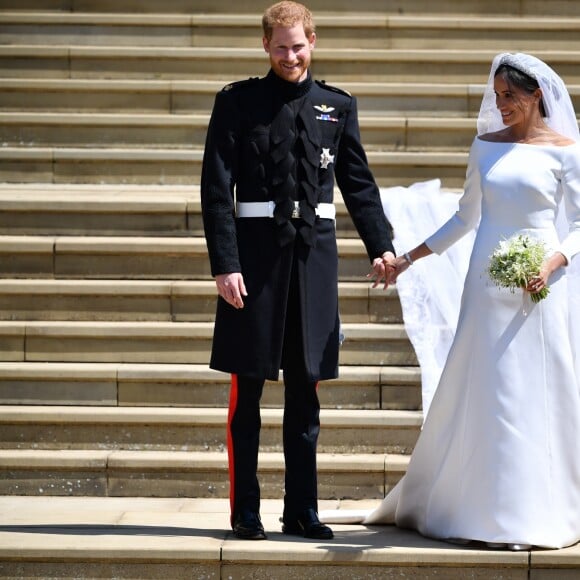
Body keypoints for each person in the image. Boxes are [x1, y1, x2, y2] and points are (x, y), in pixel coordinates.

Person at [322, 52, 580, 550]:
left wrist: (552, 262)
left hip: (540, 284)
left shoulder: (566, 151)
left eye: (510, 97)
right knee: (492, 388)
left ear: (536, 96)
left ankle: (540, 509)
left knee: (537, 388)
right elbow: (465, 218)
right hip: (486, 281)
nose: (499, 104)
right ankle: (485, 509)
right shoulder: (484, 146)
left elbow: (579, 225)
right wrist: (406, 259)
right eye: (497, 95)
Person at [200, 1, 396, 541]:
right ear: (266, 46)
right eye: (281, 47)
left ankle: (301, 510)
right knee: (248, 401)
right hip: (253, 270)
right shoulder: (237, 104)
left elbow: (358, 184)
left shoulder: (337, 106)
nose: (291, 55)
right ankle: (245, 512)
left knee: (305, 399)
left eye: (299, 45)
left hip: (313, 267)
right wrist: (225, 265)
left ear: (313, 41)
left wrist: (381, 246)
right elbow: (217, 193)